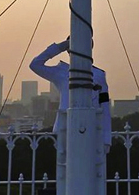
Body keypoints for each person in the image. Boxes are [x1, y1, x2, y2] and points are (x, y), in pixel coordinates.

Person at [29, 37, 112, 195]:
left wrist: (106, 138)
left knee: (91, 172)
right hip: (66, 129)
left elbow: (105, 107)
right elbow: (35, 64)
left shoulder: (99, 75)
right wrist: (61, 46)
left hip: (91, 129)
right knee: (65, 172)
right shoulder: (60, 72)